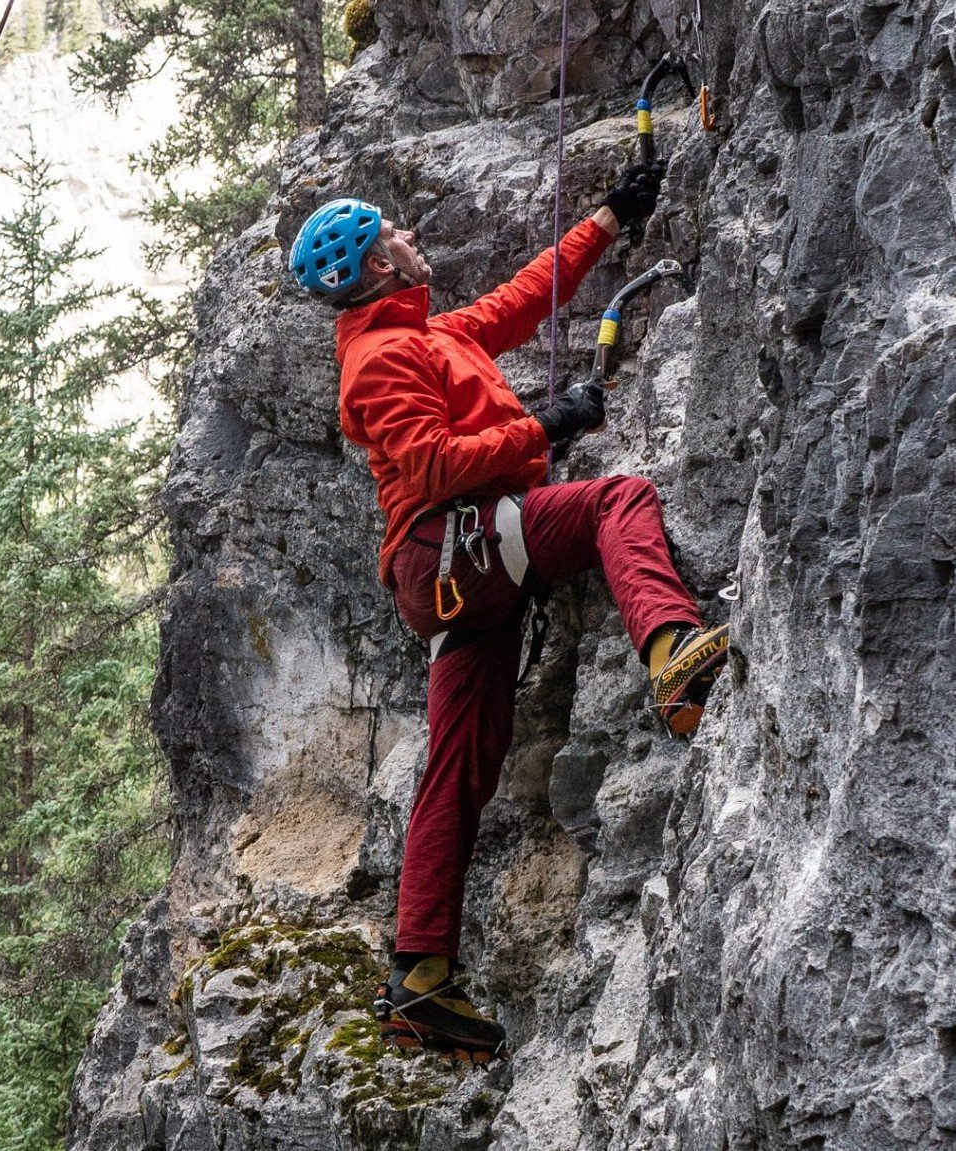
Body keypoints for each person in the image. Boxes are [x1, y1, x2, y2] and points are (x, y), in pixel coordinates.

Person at [288, 166, 728, 1062]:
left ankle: (419, 978)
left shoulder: (426, 331)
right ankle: (673, 650)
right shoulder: (377, 359)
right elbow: (433, 465)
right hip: (454, 542)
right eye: (392, 231)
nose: (410, 232)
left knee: (455, 767)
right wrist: (545, 426)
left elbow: (524, 298)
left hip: (451, 569)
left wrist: (607, 218)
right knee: (618, 501)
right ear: (374, 265)